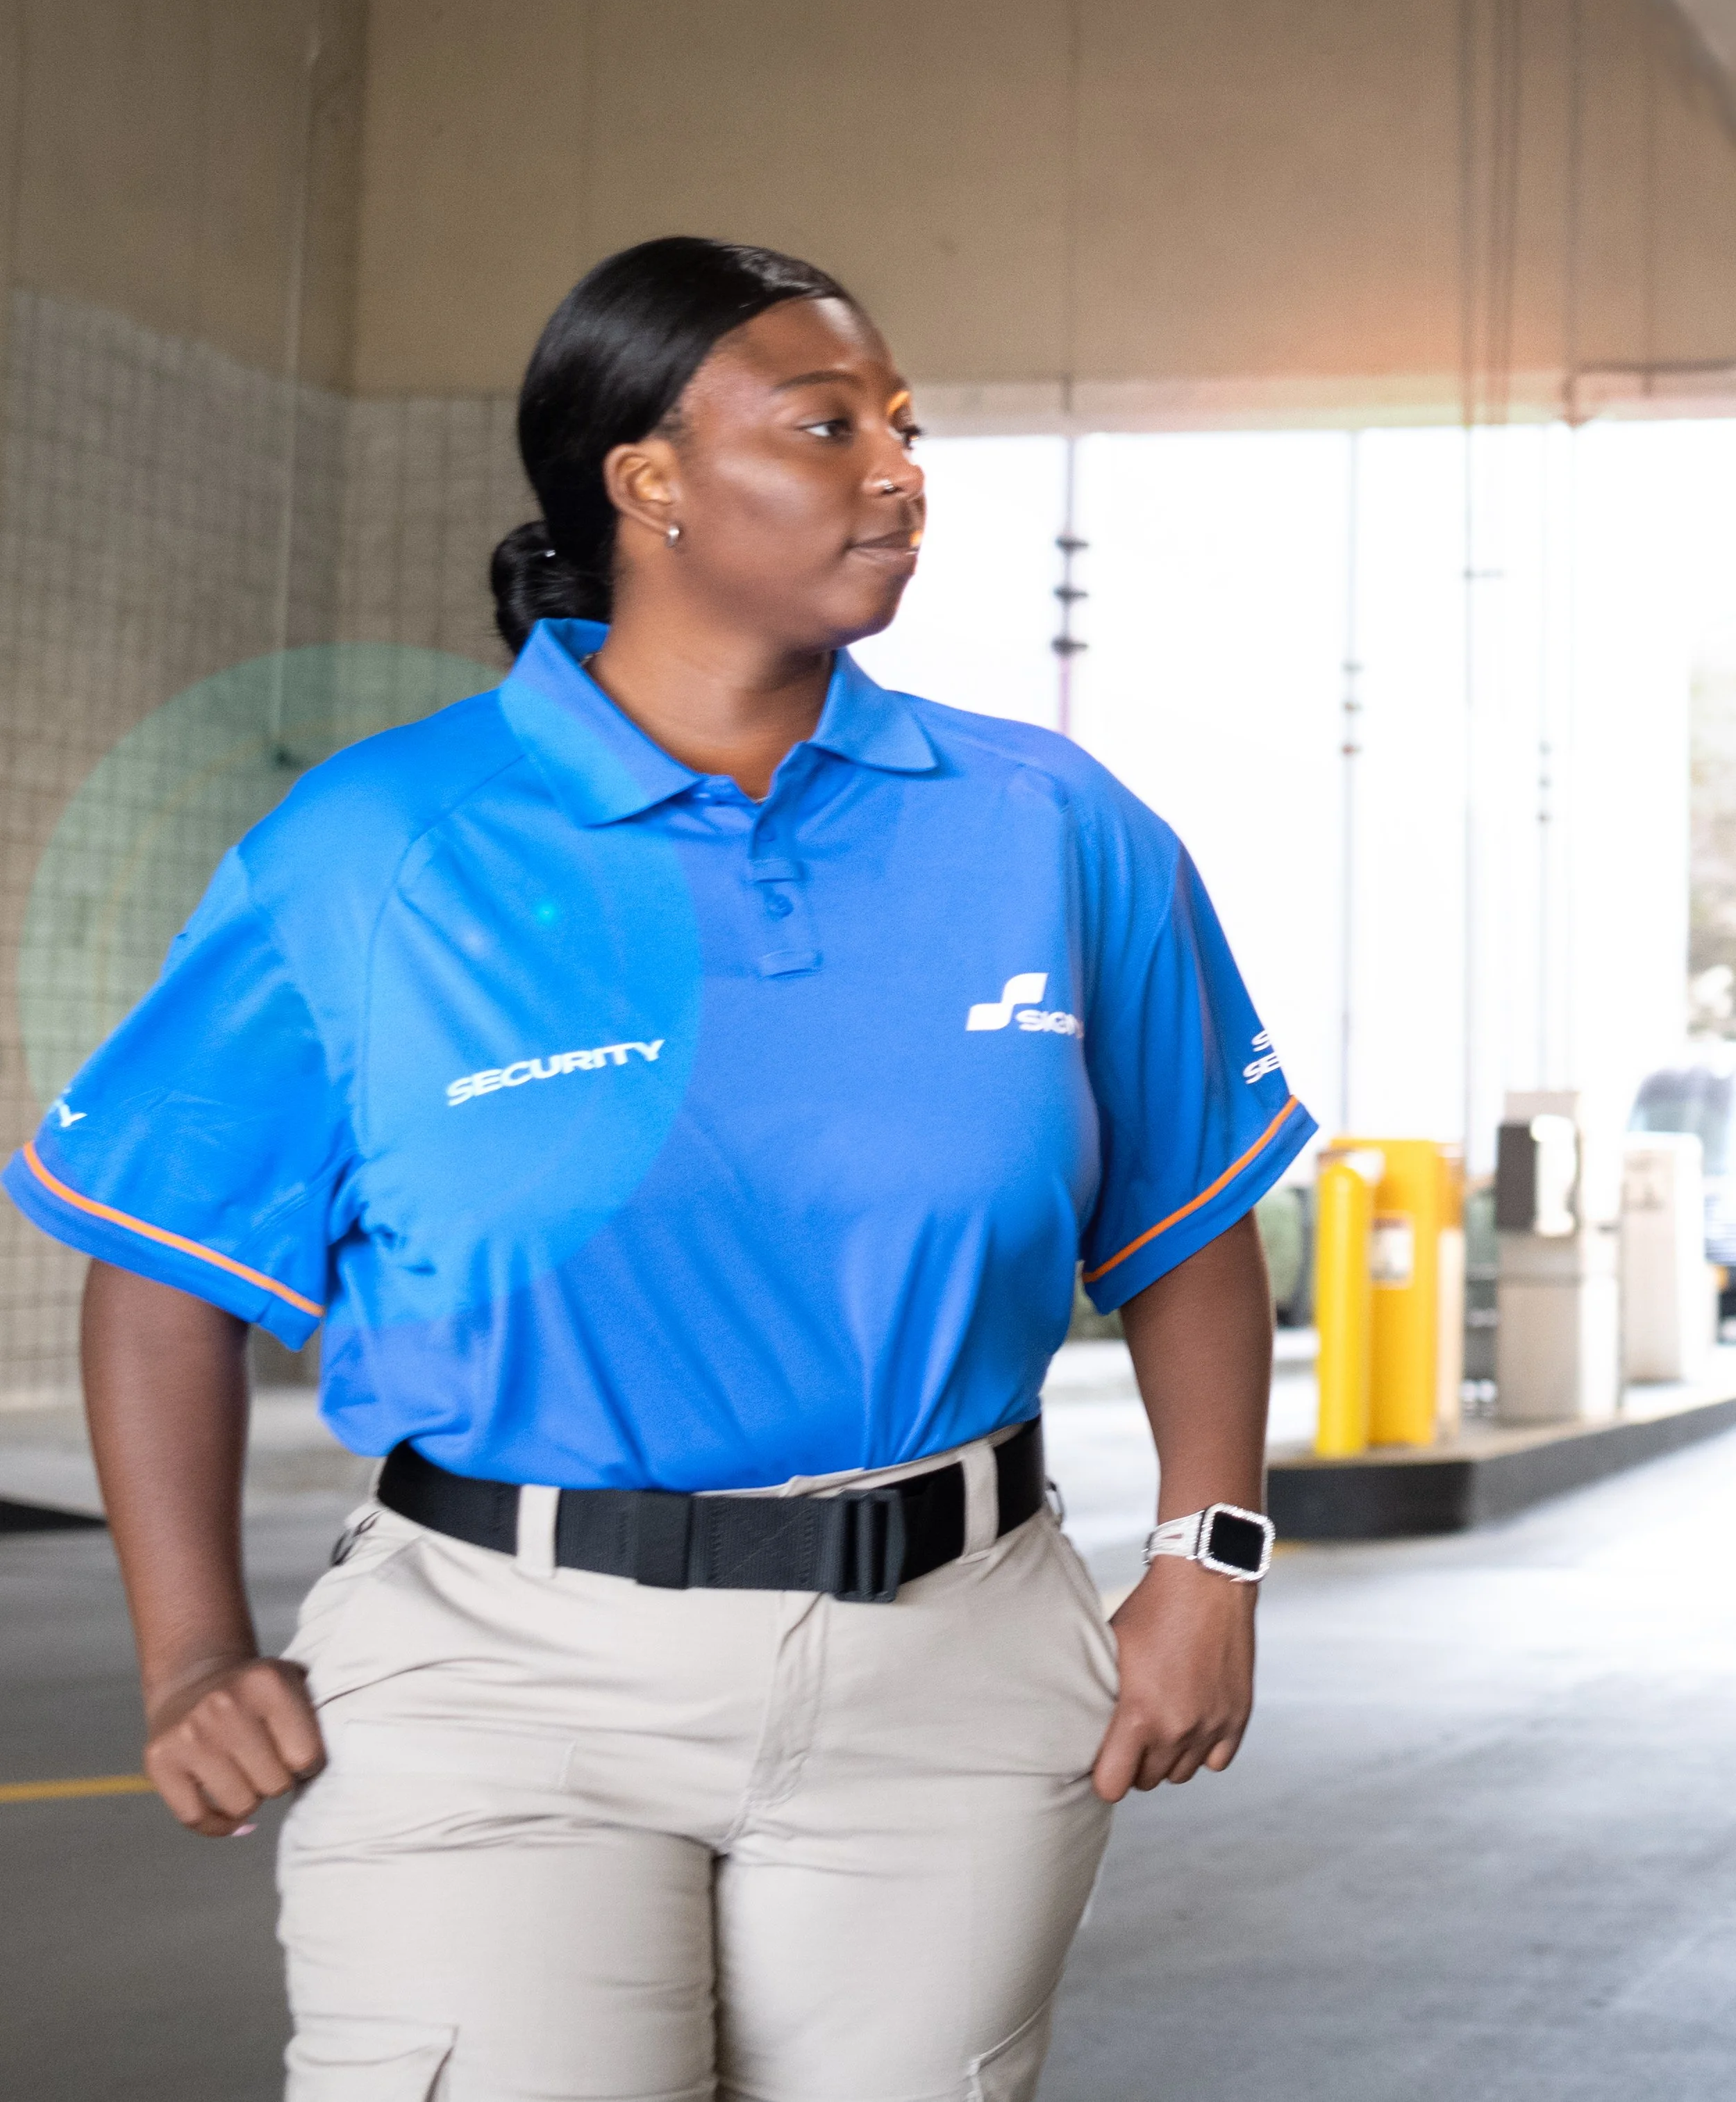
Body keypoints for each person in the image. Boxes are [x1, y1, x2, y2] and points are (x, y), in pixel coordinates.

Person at [8, 236, 1314, 2102]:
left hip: (953, 1672)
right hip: (498, 1674)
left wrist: (1209, 1560)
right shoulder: (382, 846)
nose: (898, 472)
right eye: (824, 425)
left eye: (906, 427)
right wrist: (191, 1648)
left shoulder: (1050, 828)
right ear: (647, 482)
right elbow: (160, 1261)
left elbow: (1186, 1223)